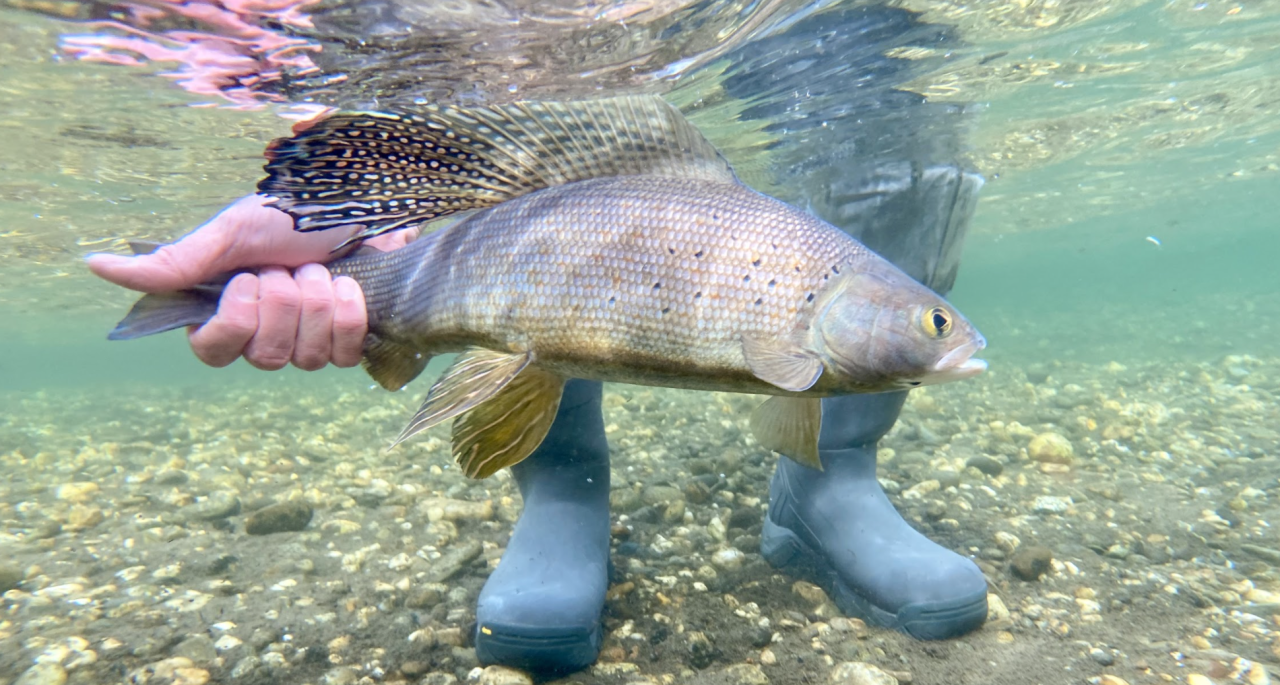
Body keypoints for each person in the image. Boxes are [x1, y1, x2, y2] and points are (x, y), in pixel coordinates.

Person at [89, 5, 988, 676]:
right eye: (932, 323)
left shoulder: (810, 321)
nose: (945, 334)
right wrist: (353, 224)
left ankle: (832, 487)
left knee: (908, 156)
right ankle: (563, 493)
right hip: (499, 92)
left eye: (934, 321)